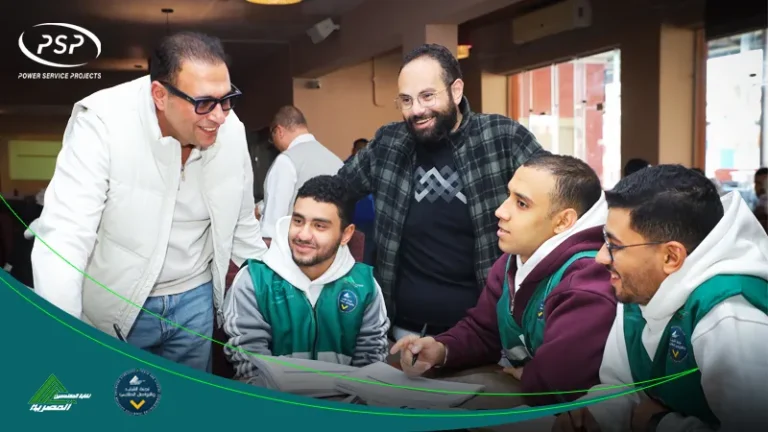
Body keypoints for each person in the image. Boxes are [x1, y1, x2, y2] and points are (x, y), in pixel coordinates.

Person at [30, 32, 268, 372]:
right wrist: (66, 337)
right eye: (203, 103)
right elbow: (65, 237)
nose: (219, 116)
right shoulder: (102, 123)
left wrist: (280, 298)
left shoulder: (230, 132)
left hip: (195, 301)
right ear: (160, 94)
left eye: (226, 99)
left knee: (187, 408)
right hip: (119, 301)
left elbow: (244, 227)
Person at [337, 43, 546, 340]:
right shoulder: (388, 143)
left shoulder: (503, 138)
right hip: (400, 332)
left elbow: (558, 199)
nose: (417, 110)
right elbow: (336, 191)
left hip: (487, 336)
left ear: (456, 91)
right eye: (406, 100)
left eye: (427, 96)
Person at [554, 165, 768, 432]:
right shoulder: (640, 286)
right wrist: (594, 414)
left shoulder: (730, 314)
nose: (600, 257)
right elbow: (622, 386)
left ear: (670, 257)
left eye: (615, 246)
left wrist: (659, 423)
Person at [391, 154, 617, 407]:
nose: (500, 211)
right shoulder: (515, 258)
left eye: (521, 204)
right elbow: (484, 330)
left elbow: (560, 383)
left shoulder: (588, 280)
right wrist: (442, 349)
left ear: (563, 221)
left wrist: (532, 376)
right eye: (508, 195)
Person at [222, 175, 389, 380]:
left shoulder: (364, 286)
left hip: (344, 406)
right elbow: (250, 366)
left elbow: (371, 367)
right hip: (272, 404)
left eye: (320, 226)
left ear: (346, 234)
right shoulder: (254, 281)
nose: (303, 235)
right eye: (298, 221)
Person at [260, 106, 343, 246]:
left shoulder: (286, 160)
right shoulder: (337, 161)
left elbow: (273, 224)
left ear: (279, 131)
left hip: (298, 249)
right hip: (331, 248)